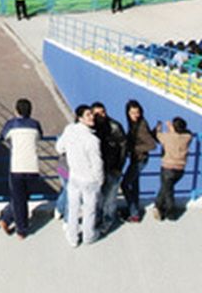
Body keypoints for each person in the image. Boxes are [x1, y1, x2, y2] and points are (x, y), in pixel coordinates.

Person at [56, 105, 103, 246]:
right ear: (80, 118)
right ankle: (88, 236)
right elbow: (97, 163)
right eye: (88, 115)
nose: (92, 117)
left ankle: (72, 238)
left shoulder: (69, 130)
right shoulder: (92, 140)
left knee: (73, 207)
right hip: (89, 179)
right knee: (89, 210)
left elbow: (59, 148)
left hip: (74, 176)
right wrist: (99, 180)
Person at [0, 98, 43, 239]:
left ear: (16, 110)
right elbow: (40, 137)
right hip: (32, 166)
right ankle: (7, 219)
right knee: (23, 198)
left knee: (19, 199)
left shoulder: (11, 124)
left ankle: (19, 229)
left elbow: (2, 136)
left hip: (17, 166)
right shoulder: (35, 124)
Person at [92, 102, 127, 232]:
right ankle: (97, 218)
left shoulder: (115, 126)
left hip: (112, 169)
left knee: (110, 198)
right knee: (97, 197)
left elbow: (124, 148)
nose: (101, 115)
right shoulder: (91, 127)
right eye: (97, 113)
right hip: (97, 170)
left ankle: (107, 221)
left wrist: (119, 167)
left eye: (103, 112)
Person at [120, 100, 157, 222]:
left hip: (140, 160)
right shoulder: (134, 124)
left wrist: (133, 148)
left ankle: (134, 213)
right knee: (134, 185)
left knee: (124, 184)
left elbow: (152, 145)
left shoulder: (141, 126)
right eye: (133, 113)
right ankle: (133, 209)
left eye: (137, 112)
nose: (136, 115)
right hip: (136, 159)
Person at [154, 118, 193, 220]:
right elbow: (189, 133)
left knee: (168, 191)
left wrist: (161, 128)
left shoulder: (167, 137)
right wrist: (173, 129)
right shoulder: (187, 137)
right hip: (180, 169)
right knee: (166, 188)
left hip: (167, 168)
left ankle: (168, 212)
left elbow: (157, 135)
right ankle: (158, 207)